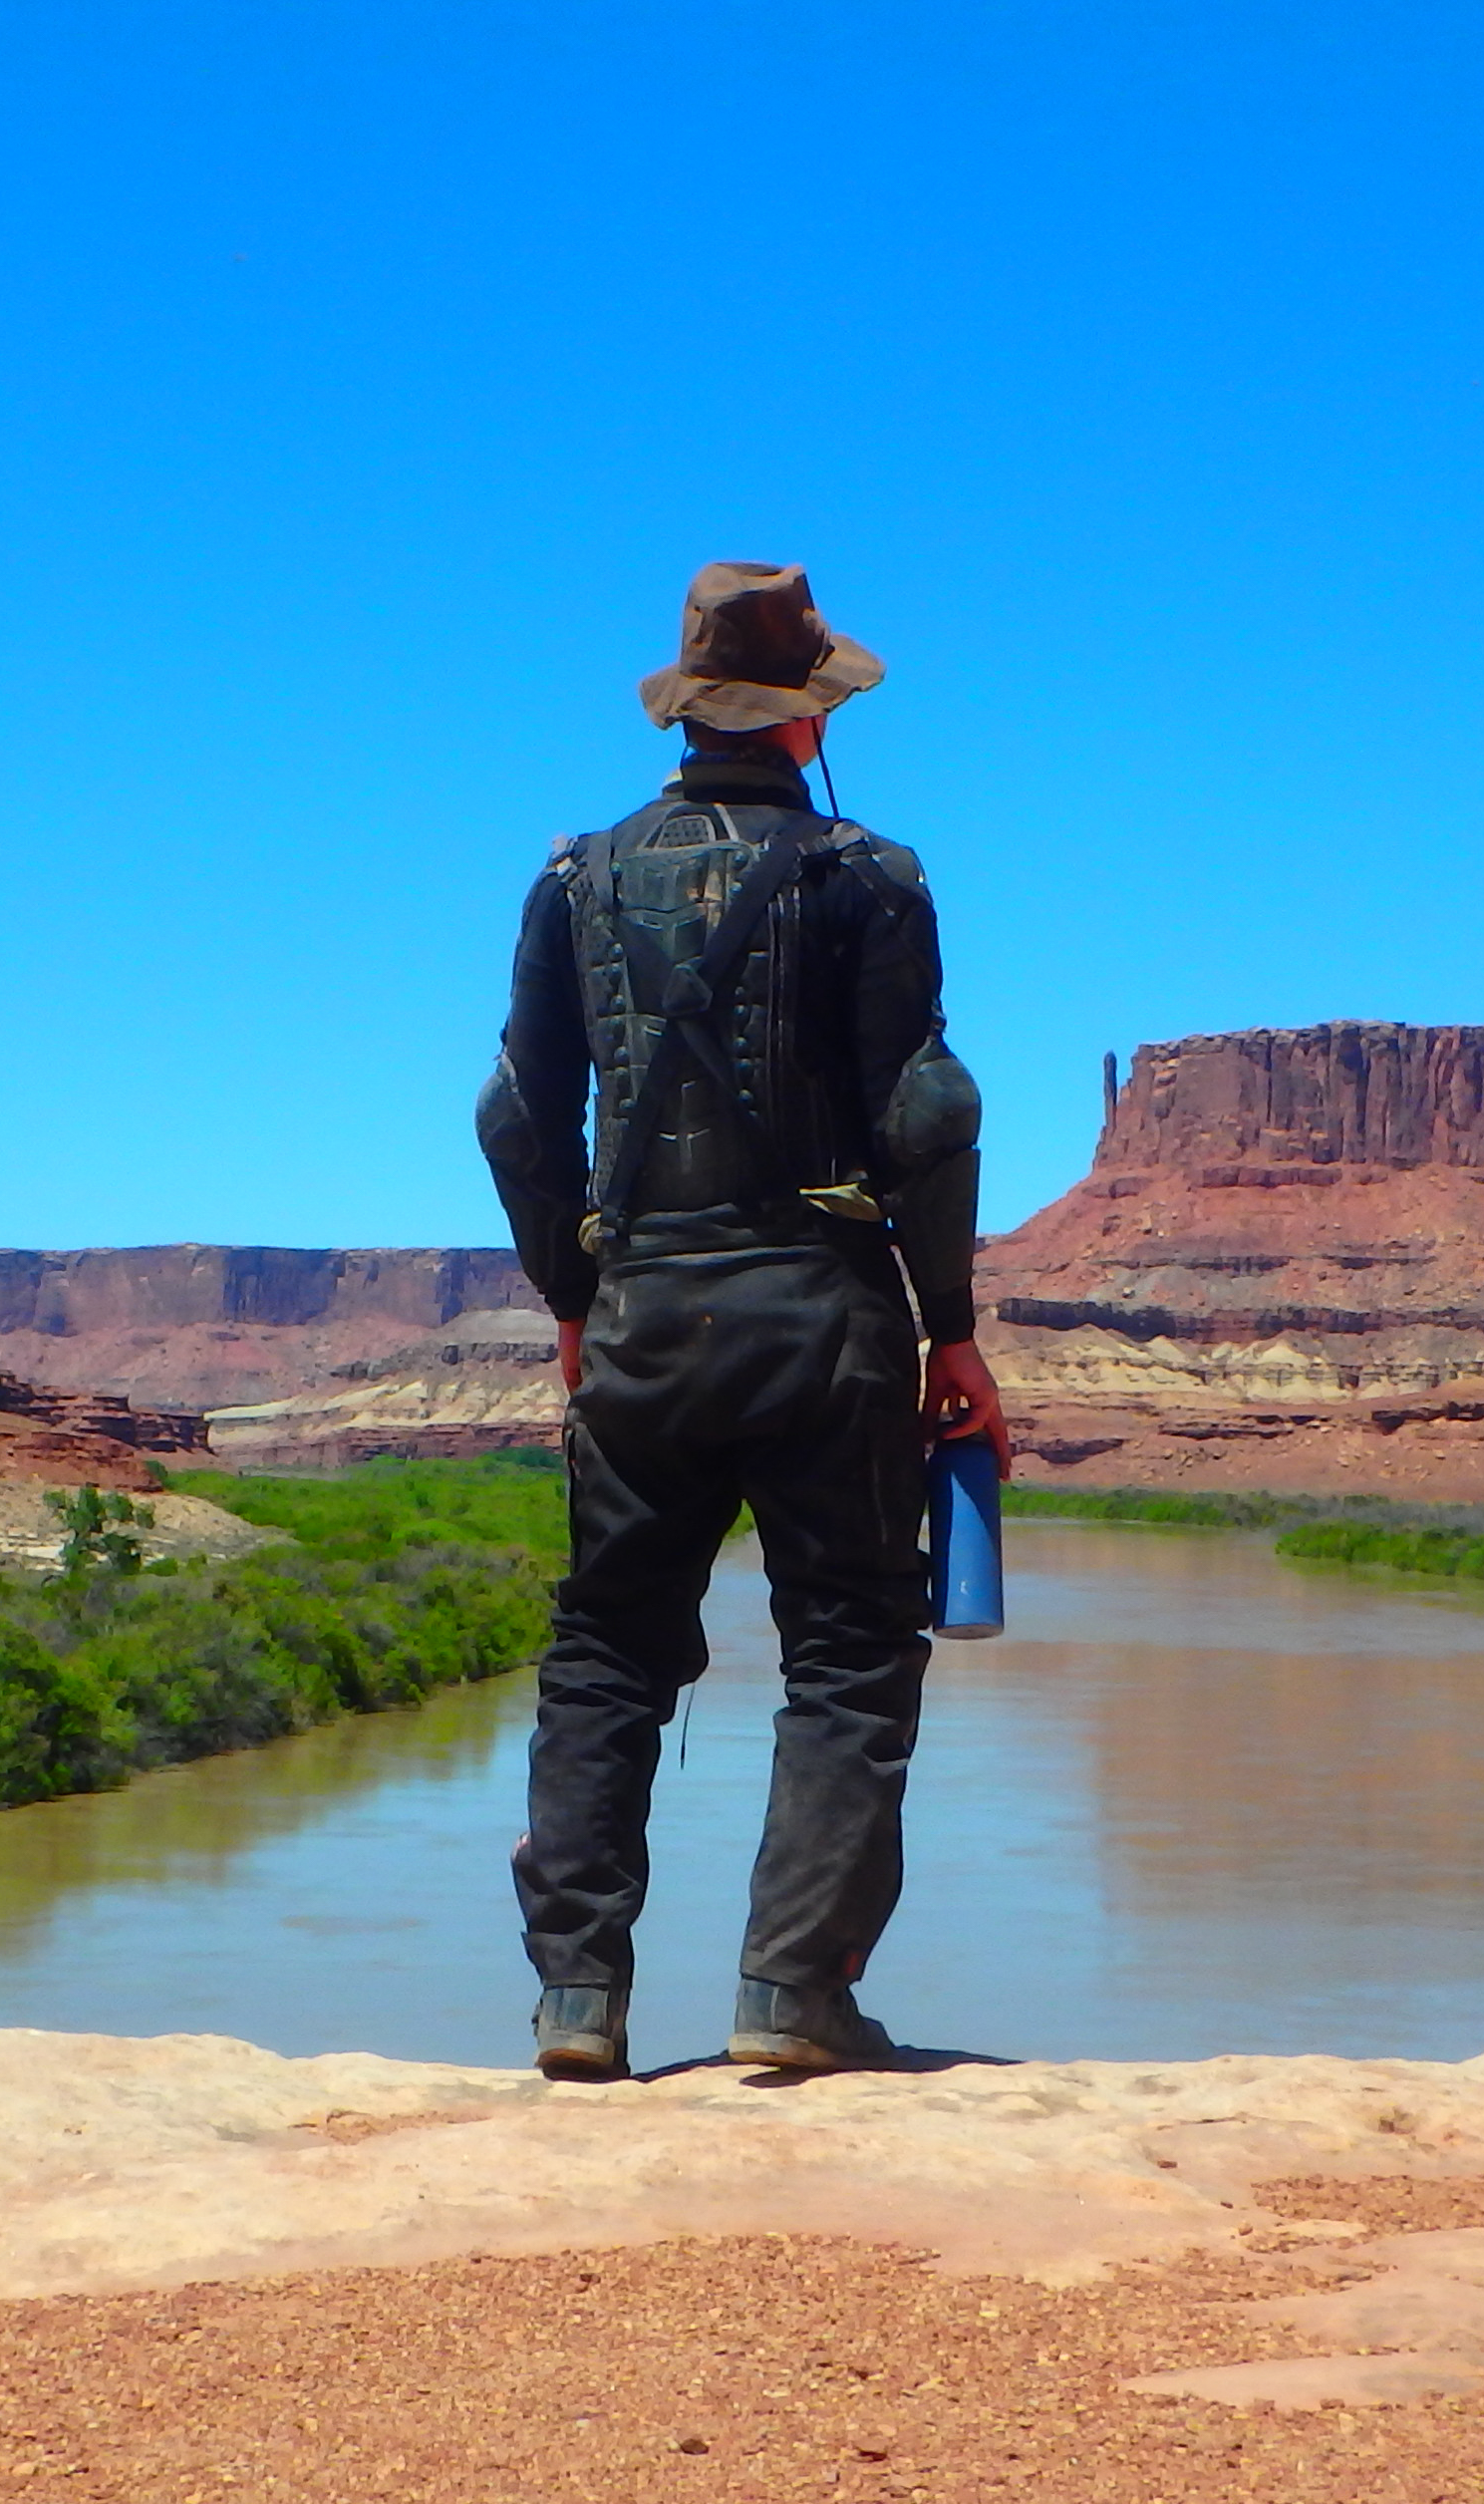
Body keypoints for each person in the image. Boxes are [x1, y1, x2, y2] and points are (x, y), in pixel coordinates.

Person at [474, 560, 1009, 2081]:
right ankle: (793, 1997)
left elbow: (519, 1113)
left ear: (694, 710)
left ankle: (578, 2002)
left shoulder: (575, 879)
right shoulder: (870, 874)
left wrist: (575, 1298)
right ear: (808, 716)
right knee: (846, 1649)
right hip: (825, 1317)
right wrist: (949, 1328)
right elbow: (932, 1111)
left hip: (645, 1316)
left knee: (605, 1654)